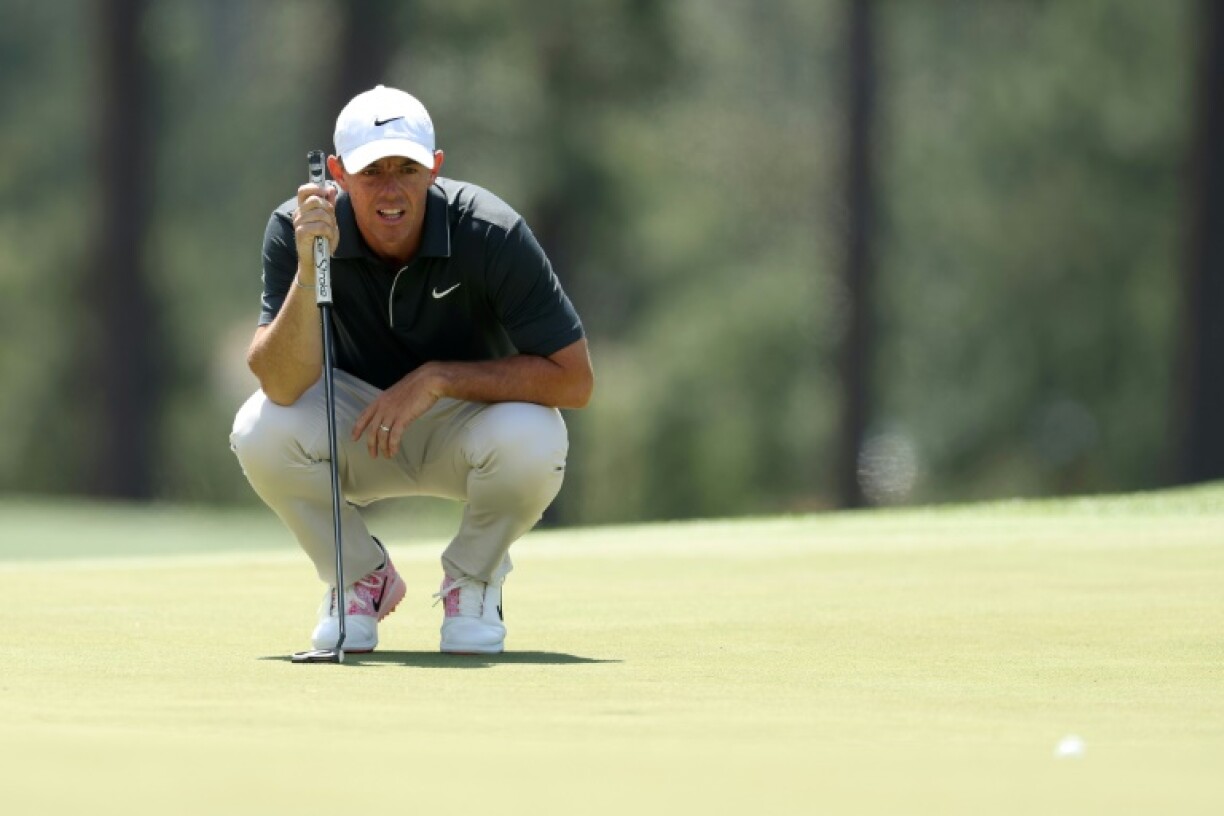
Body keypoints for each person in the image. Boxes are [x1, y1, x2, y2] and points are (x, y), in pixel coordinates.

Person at [230, 85, 594, 655]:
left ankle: (473, 579)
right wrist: (310, 269)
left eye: (408, 168)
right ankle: (358, 578)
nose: (392, 189)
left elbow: (574, 380)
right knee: (258, 429)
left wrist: (437, 378)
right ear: (337, 174)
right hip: (352, 429)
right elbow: (279, 382)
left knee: (536, 436)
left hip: (466, 428)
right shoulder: (299, 230)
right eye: (372, 171)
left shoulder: (491, 233)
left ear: (436, 169)